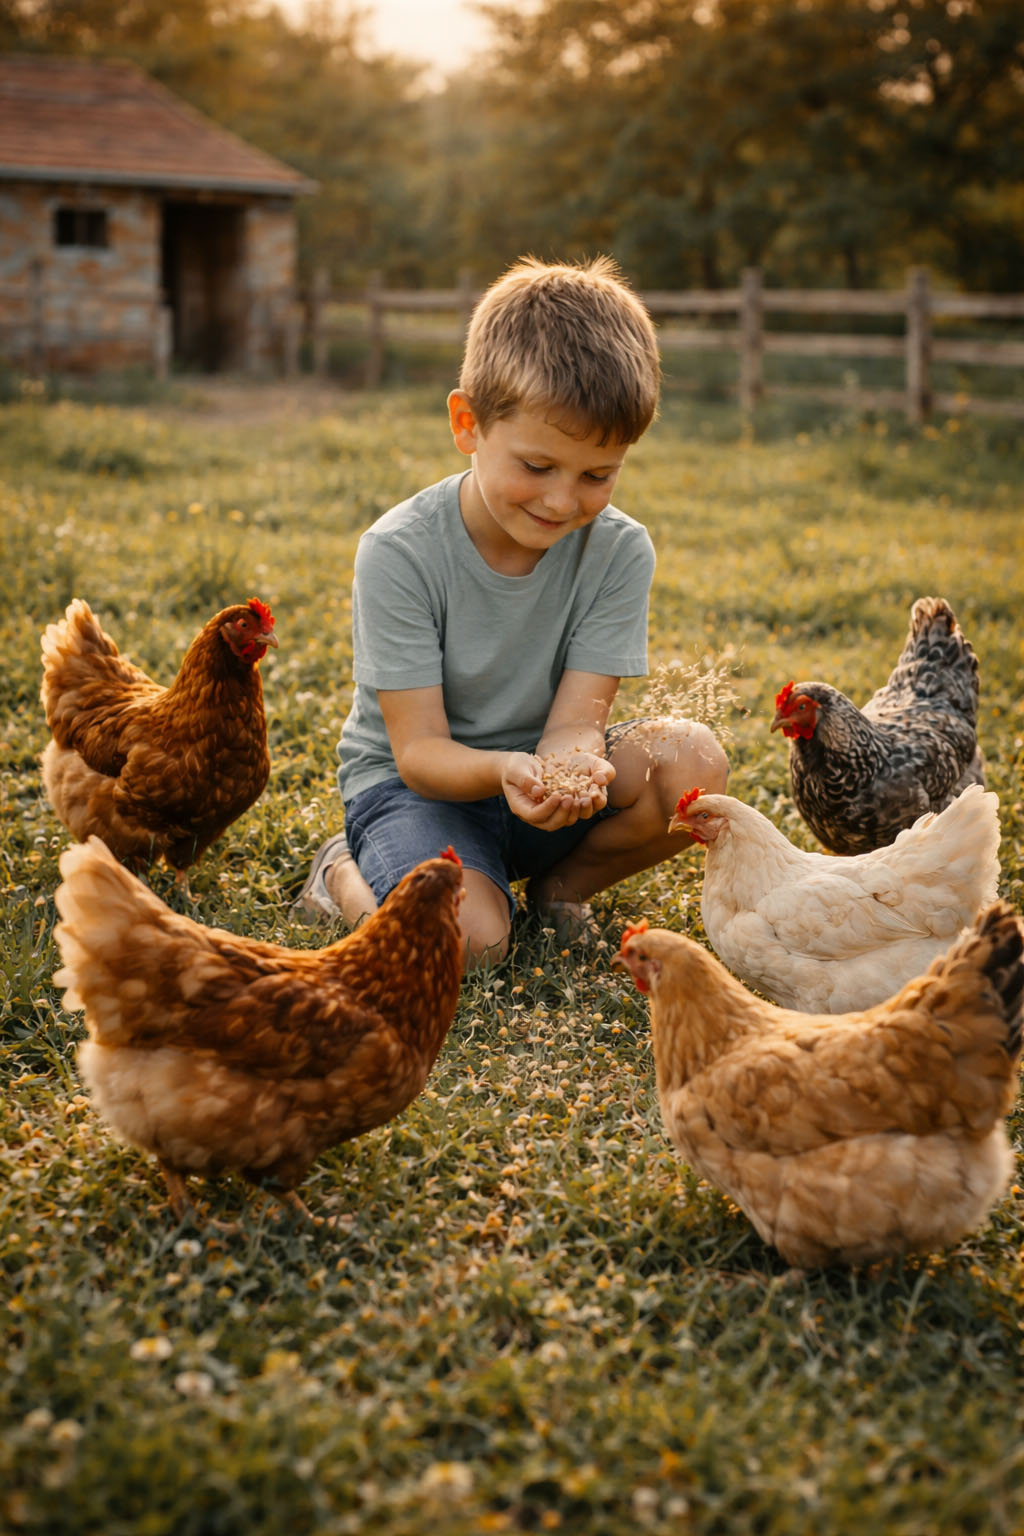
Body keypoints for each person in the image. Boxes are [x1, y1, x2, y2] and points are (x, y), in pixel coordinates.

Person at [297, 255, 728, 966]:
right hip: (418, 792)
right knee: (466, 946)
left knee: (692, 762)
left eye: (598, 475)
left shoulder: (619, 552)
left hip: (534, 786)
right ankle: (341, 872)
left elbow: (573, 724)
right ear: (468, 423)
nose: (563, 502)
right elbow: (420, 754)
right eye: (536, 466)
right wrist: (507, 768)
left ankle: (562, 892)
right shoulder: (399, 552)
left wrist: (574, 764)